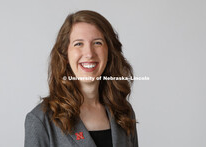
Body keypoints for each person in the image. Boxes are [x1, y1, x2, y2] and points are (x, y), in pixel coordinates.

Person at [25, 10, 138, 147]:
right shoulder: (41, 120)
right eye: (78, 44)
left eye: (97, 43)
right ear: (65, 55)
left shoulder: (124, 112)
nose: (89, 54)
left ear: (109, 52)